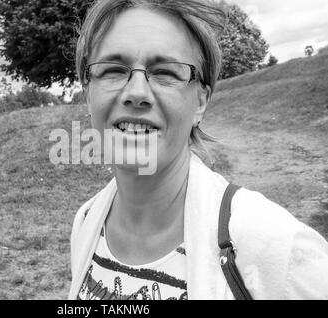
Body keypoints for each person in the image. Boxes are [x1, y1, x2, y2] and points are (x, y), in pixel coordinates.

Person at [68, 0, 328, 300]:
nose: (136, 93)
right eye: (112, 70)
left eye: (165, 71)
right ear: (88, 94)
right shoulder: (86, 220)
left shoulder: (277, 248)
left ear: (201, 101)